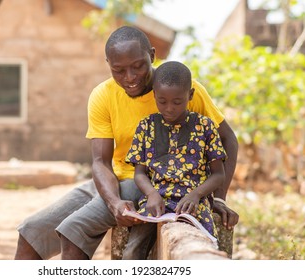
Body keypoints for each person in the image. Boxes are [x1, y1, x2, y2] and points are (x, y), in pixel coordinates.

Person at [14, 25, 239, 260]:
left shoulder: (179, 91)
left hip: (148, 184)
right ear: (108, 64)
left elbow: (228, 140)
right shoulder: (103, 95)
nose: (129, 78)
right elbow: (100, 162)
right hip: (111, 182)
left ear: (152, 56)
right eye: (118, 70)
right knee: (31, 232)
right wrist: (114, 203)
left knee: (73, 230)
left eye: (138, 66)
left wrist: (219, 198)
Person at [123, 61, 226, 258]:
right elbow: (140, 173)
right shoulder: (146, 126)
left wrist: (196, 195)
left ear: (190, 95)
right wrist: (151, 194)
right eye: (162, 101)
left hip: (193, 204)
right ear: (154, 95)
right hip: (156, 203)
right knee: (132, 251)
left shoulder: (205, 127)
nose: (169, 108)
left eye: (177, 102)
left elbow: (218, 174)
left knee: (201, 246)